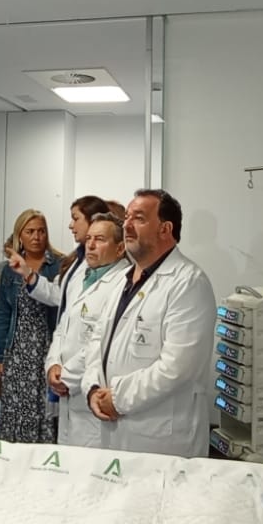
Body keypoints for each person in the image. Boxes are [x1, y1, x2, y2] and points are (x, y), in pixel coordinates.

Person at [81, 189, 218, 457]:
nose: (127, 225)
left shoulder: (188, 282)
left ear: (165, 229)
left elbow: (178, 367)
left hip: (161, 438)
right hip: (114, 430)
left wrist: (117, 398)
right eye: (127, 217)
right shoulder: (123, 280)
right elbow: (97, 341)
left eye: (139, 218)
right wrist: (93, 389)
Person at [50, 213, 130, 447]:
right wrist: (53, 365)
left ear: (120, 248)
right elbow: (62, 327)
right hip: (67, 395)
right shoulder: (81, 278)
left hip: (90, 393)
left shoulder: (122, 285)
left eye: (100, 239)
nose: (91, 245)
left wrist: (66, 377)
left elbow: (101, 342)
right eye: (89, 239)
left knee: (90, 461)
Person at [0, 209, 63, 443]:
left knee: (45, 406)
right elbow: (3, 313)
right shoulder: (10, 269)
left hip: (47, 347)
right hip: (18, 349)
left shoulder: (59, 265)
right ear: (19, 236)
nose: (36, 237)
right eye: (30, 231)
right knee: (14, 405)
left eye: (41, 231)